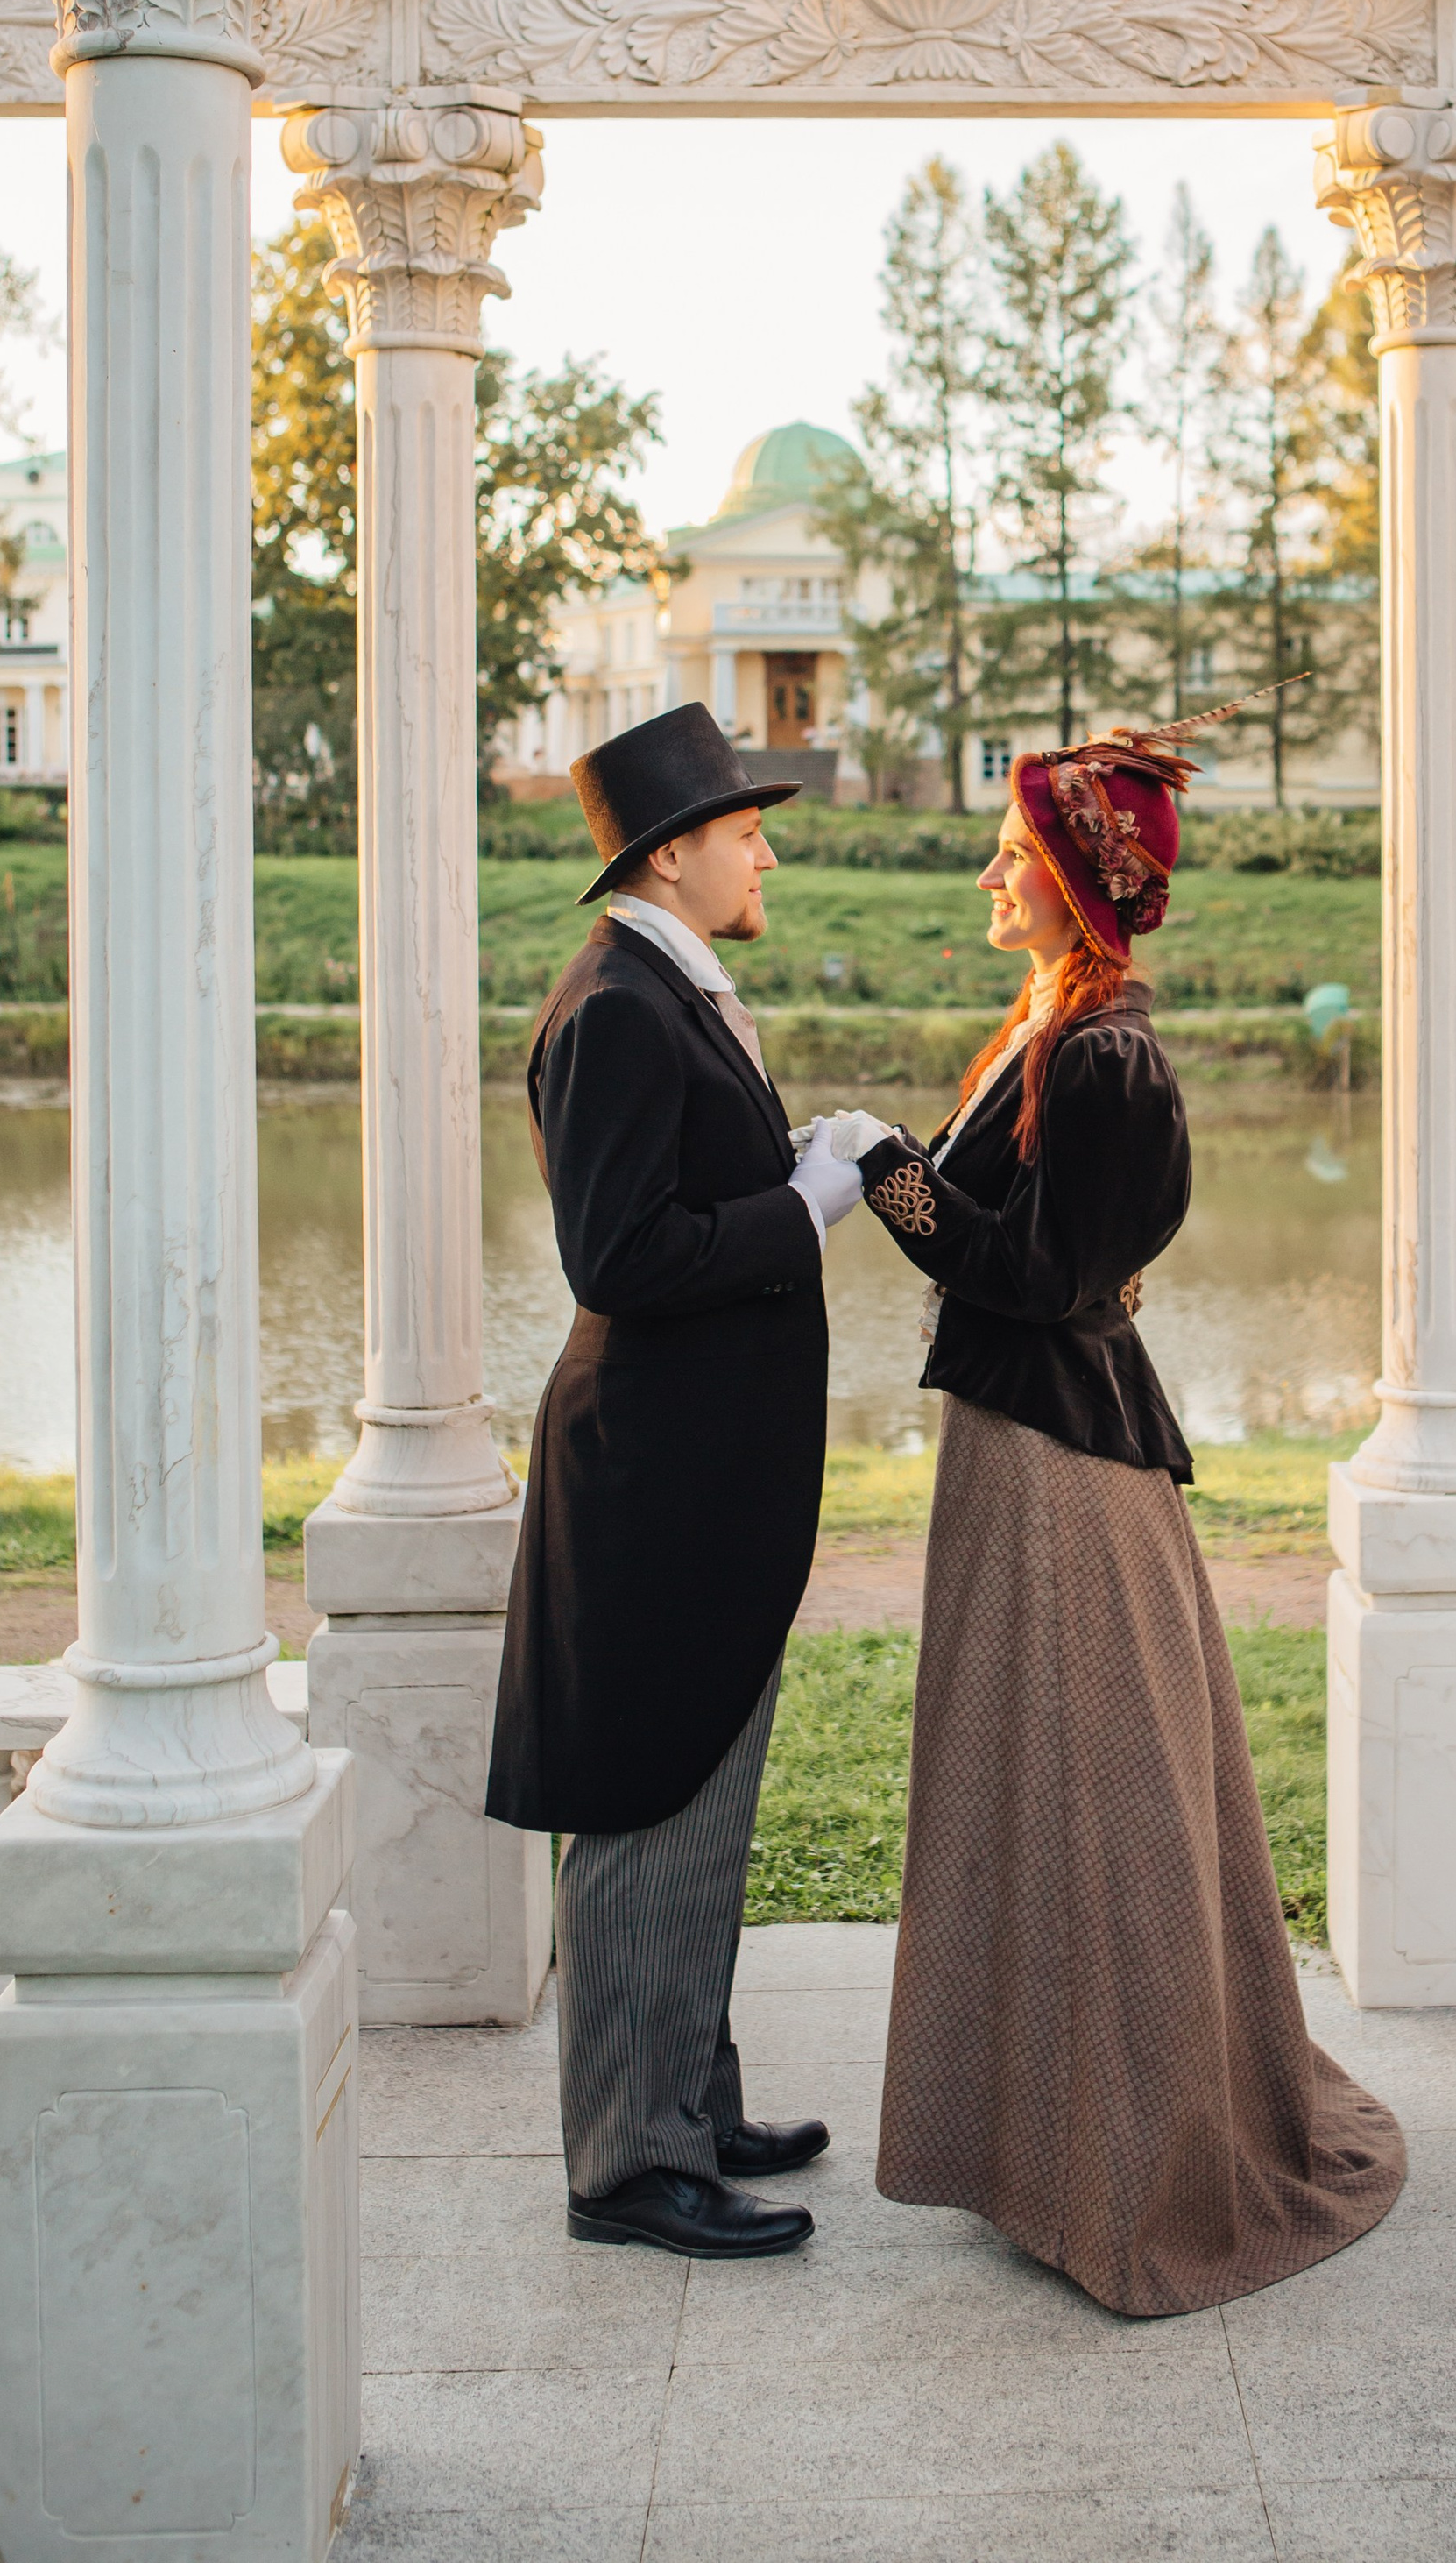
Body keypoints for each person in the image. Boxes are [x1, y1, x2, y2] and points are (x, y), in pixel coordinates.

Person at [847, 712, 1407, 2316]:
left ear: (1081, 884)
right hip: (1020, 1448)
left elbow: (1041, 1278)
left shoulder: (1107, 1059)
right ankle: (1040, 2142)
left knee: (1095, 1801)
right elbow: (1056, 1251)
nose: (989, 880)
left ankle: (1135, 2165)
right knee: (1030, 1787)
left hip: (1066, 1473)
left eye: (1013, 858)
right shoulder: (1050, 1030)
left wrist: (887, 1176)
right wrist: (917, 1173)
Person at [485, 703, 868, 2261]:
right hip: (653, 1480)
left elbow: (680, 1201)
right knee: (652, 1803)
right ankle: (628, 2164)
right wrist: (814, 1206)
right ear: (673, 853)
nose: (765, 851)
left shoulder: (672, 991)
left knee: (706, 1795)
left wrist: (786, 1170)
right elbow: (624, 1256)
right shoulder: (619, 1007)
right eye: (745, 830)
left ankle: (687, 2098)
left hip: (704, 1477)